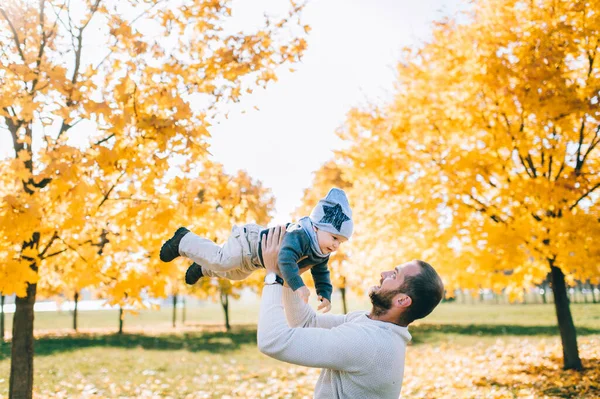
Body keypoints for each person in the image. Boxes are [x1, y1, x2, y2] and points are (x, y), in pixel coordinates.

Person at [257, 226, 444, 399]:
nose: (383, 273)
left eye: (394, 275)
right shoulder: (369, 323)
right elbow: (307, 323)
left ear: (402, 300)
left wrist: (273, 275)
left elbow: (273, 341)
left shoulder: (369, 342)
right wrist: (290, 277)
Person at [159, 188, 353, 312]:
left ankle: (201, 268)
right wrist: (298, 285)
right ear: (317, 227)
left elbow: (321, 273)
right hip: (249, 241)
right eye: (334, 237)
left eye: (341, 242)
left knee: (235, 274)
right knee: (222, 260)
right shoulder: (300, 234)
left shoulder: (321, 252)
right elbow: (285, 259)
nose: (336, 245)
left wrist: (324, 293)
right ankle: (183, 240)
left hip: (255, 260)